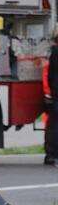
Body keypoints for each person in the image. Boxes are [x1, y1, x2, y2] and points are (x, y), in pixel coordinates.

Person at [44, 25, 58, 166]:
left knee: (53, 124)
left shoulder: (53, 52)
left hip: (53, 92)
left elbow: (48, 74)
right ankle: (53, 154)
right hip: (54, 93)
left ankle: (51, 154)